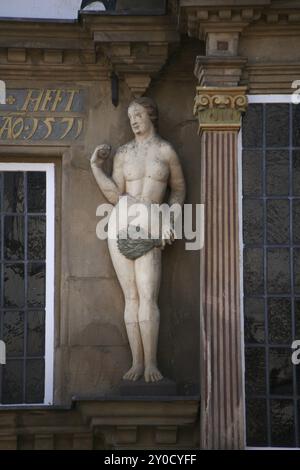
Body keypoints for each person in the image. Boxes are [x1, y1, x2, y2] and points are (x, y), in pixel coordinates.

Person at [90, 97, 186, 382]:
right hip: (121, 220)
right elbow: (115, 195)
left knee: (147, 295)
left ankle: (152, 364)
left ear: (150, 116)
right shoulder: (123, 153)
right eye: (130, 116)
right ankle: (136, 362)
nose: (133, 120)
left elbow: (179, 190)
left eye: (138, 114)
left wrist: (169, 219)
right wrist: (96, 167)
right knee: (130, 297)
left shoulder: (165, 151)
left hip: (150, 221)